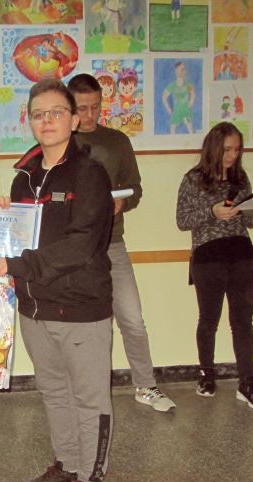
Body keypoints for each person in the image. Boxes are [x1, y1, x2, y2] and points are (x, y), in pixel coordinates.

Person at [0, 79, 114, 482]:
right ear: (30, 121)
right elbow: (21, 238)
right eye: (38, 114)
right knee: (54, 392)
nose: (47, 121)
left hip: (80, 308)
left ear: (74, 120)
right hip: (35, 308)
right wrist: (0, 218)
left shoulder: (89, 174)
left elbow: (82, 244)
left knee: (90, 399)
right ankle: (68, 463)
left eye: (56, 112)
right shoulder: (23, 178)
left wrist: (18, 264)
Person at [68, 73, 175, 413]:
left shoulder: (117, 142)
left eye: (95, 107)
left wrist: (122, 202)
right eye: (82, 108)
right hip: (72, 249)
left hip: (112, 243)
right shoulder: (60, 143)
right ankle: (81, 393)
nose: (89, 115)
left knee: (132, 319)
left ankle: (145, 385)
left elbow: (136, 189)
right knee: (83, 326)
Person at [176, 122, 253, 410]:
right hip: (208, 256)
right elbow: (182, 220)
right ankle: (207, 375)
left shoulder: (240, 179)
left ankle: (247, 383)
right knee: (209, 319)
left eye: (237, 150)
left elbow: (249, 222)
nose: (232, 155)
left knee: (243, 321)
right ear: (213, 148)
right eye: (227, 149)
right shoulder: (193, 179)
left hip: (241, 253)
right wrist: (212, 212)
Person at [162, 61, 195, 134]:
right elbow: (164, 97)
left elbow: (192, 94)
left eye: (184, 69)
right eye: (182, 69)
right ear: (176, 71)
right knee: (172, 133)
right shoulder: (172, 86)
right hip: (176, 112)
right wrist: (169, 110)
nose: (184, 71)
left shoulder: (188, 85)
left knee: (191, 132)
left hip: (186, 111)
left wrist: (190, 103)